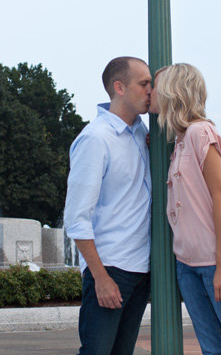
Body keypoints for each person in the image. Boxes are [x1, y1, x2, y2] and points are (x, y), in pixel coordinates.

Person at [149, 63, 221, 355]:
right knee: (214, 350)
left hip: (220, 262)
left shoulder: (200, 133)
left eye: (155, 85)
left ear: (172, 92)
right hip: (187, 266)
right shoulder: (178, 141)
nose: (150, 91)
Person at [64, 56, 152, 355]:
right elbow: (77, 218)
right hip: (111, 268)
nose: (151, 90)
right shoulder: (95, 139)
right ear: (120, 87)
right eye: (144, 83)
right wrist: (100, 278)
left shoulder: (141, 132)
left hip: (141, 269)